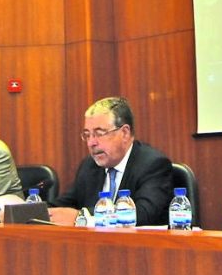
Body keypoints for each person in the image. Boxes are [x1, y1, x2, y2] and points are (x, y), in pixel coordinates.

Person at [49, 96, 173, 227]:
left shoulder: (153, 165)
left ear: (124, 133)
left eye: (99, 133)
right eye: (87, 135)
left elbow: (142, 214)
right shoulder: (89, 166)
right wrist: (38, 210)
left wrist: (82, 217)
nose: (91, 143)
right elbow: (65, 205)